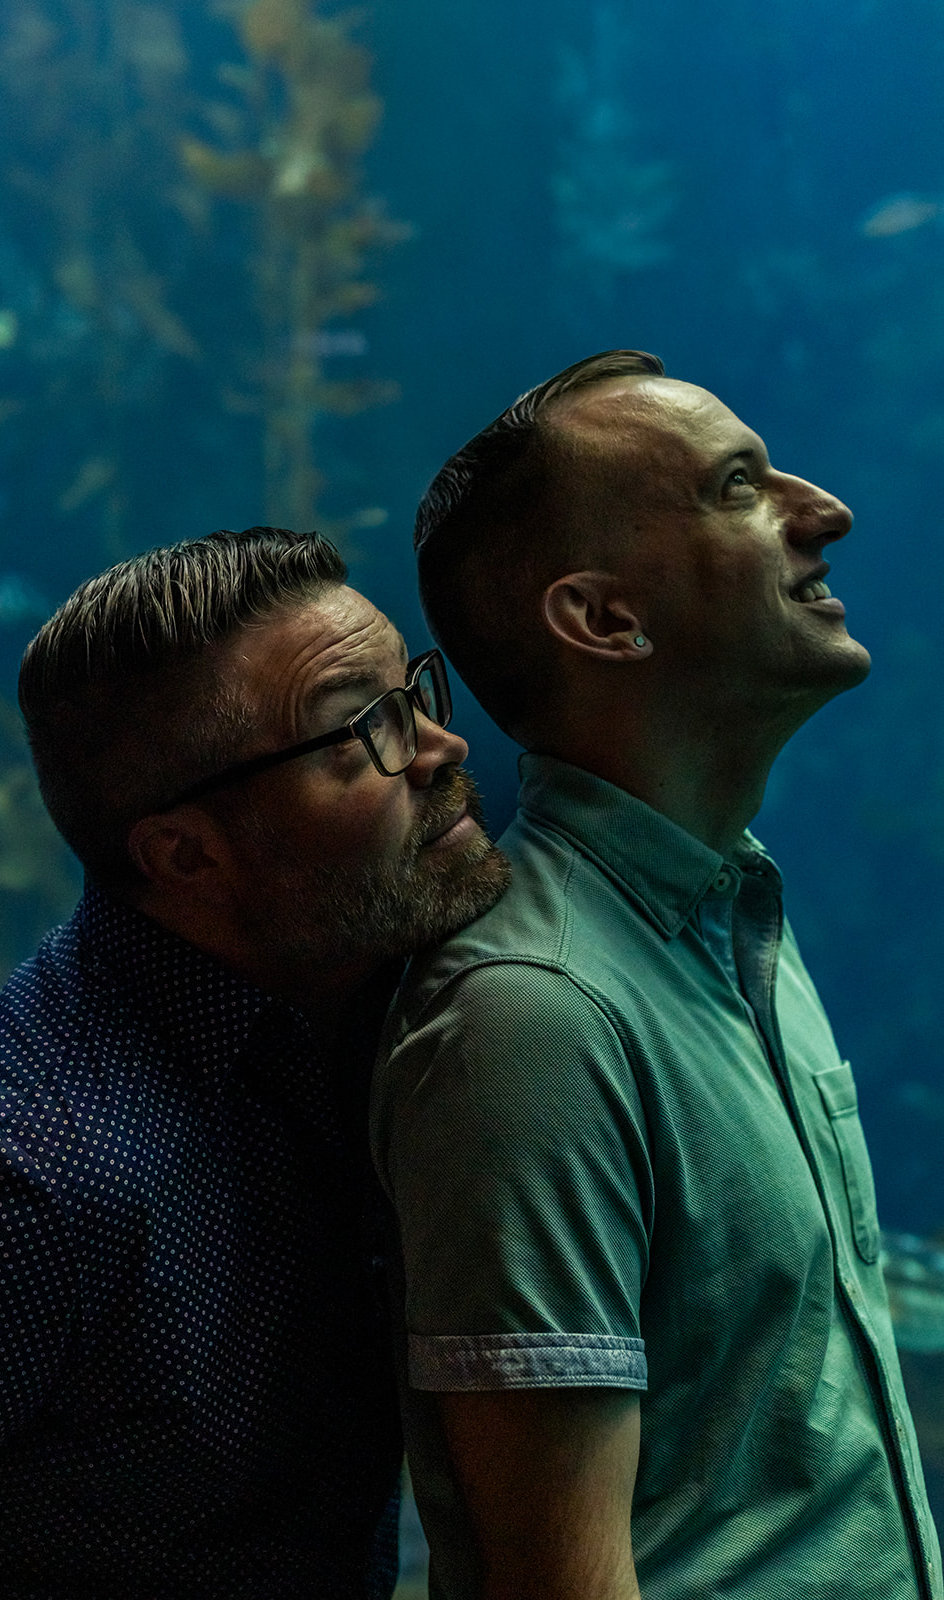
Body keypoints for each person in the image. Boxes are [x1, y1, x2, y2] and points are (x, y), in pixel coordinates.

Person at [371, 351, 942, 1600]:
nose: (823, 510)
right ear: (601, 619)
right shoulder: (533, 1015)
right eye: (737, 486)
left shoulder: (728, 911)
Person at [0, 526, 510, 1598]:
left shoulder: (361, 1008)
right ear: (184, 854)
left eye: (411, 694)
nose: (439, 749)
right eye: (361, 729)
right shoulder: (9, 1179)